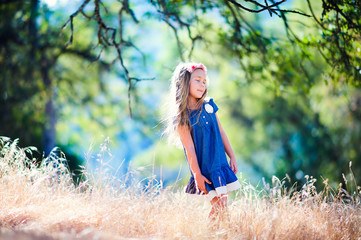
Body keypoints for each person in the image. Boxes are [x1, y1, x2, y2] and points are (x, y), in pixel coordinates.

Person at [163, 62, 241, 220]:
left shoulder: (209, 106)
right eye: (197, 80)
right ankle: (211, 233)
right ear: (185, 82)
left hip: (220, 165)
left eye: (204, 82)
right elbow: (189, 148)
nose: (202, 84)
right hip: (204, 170)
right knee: (218, 206)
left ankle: (217, 234)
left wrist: (231, 156)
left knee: (222, 206)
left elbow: (221, 131)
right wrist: (197, 174)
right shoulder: (182, 116)